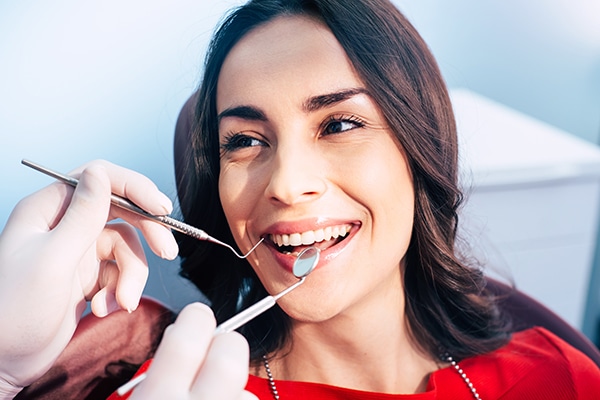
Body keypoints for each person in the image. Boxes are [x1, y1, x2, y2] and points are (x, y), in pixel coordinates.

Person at [1, 0, 599, 399]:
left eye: (338, 125)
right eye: (245, 141)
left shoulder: (558, 378)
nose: (285, 185)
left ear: (421, 151)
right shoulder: (181, 389)